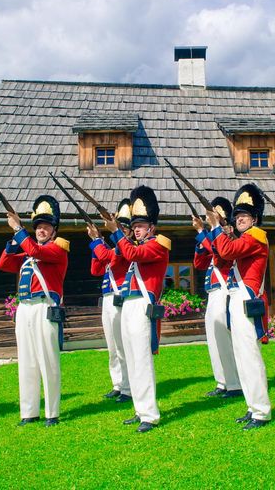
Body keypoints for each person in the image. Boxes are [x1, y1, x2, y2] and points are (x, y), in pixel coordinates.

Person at [103, 185, 170, 433]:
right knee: (131, 359)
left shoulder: (158, 244)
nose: (135, 230)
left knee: (141, 361)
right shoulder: (138, 245)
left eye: (140, 226)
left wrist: (115, 233)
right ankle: (140, 409)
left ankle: (150, 414)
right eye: (134, 226)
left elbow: (131, 253)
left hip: (143, 306)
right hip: (129, 305)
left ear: (151, 227)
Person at [0, 196, 69, 427]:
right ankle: (29, 412)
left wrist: (19, 228)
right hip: (25, 308)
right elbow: (4, 264)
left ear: (54, 231)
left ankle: (52, 412)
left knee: (48, 361)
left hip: (44, 307)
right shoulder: (29, 254)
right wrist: (14, 237)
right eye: (38, 226)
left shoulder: (58, 249)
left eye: (46, 226)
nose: (41, 230)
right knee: (27, 361)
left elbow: (36, 250)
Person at [209, 183, 271, 430]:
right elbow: (220, 255)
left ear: (254, 218)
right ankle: (252, 406)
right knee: (242, 357)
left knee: (250, 357)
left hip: (246, 298)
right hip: (237, 298)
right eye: (237, 216)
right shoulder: (244, 237)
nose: (240, 219)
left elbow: (227, 251)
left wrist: (216, 227)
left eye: (244, 215)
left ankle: (261, 411)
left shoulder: (257, 235)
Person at [192, 197, 242, 399]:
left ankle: (235, 383)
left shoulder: (229, 238)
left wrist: (201, 232)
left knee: (225, 339)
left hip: (225, 291)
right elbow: (199, 263)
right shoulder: (214, 237)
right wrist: (201, 238)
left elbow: (222, 252)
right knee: (214, 340)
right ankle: (222, 382)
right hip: (213, 293)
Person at [87, 198, 132, 403]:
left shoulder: (127, 247)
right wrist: (99, 247)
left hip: (119, 298)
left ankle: (128, 386)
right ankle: (117, 383)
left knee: (123, 345)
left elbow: (108, 257)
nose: (120, 230)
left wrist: (97, 240)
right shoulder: (112, 250)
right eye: (119, 227)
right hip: (107, 299)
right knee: (112, 346)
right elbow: (96, 270)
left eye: (124, 228)